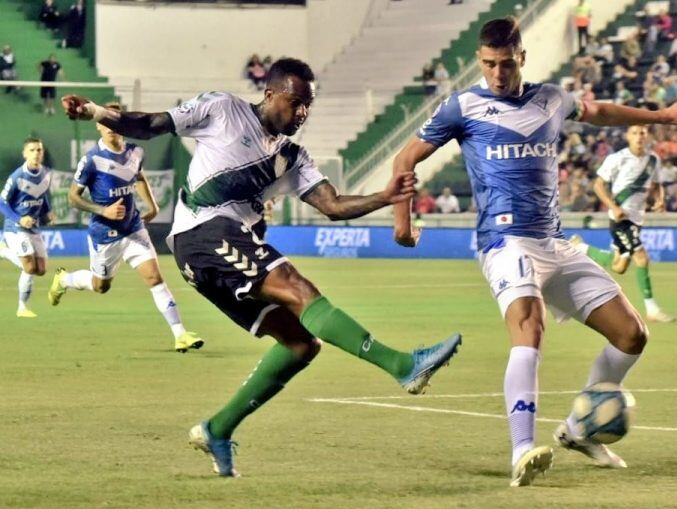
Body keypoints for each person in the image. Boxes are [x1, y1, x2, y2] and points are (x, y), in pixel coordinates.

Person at [61, 58, 461, 477]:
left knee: (302, 344)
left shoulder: (294, 157)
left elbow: (333, 205)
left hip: (219, 246)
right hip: (200, 232)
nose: (303, 112)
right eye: (296, 102)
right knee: (297, 288)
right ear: (270, 94)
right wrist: (94, 111)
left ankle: (216, 429)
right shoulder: (222, 108)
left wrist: (384, 196)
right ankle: (402, 366)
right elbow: (151, 123)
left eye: (308, 104)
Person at [391, 17, 677, 487]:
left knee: (632, 335)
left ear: (522, 57)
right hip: (505, 242)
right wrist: (402, 221)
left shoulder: (552, 99)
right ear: (480, 61)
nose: (496, 74)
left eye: (504, 64)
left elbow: (598, 110)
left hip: (554, 243)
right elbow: (405, 159)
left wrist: (663, 117)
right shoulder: (463, 107)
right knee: (529, 325)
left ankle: (579, 430)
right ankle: (522, 450)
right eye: (487, 65)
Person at [47, 102, 202, 352]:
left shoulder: (135, 152)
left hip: (133, 228)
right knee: (101, 286)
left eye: (116, 122)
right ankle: (64, 279)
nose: (111, 127)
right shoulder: (91, 160)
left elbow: (138, 176)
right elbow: (73, 197)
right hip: (104, 235)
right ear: (98, 125)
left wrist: (152, 207)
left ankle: (180, 334)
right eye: (106, 122)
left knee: (155, 278)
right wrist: (103, 210)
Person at [570, 125, 676, 323]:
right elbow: (598, 185)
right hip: (620, 219)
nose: (639, 137)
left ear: (648, 136)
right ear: (628, 136)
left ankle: (580, 247)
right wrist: (613, 207)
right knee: (642, 259)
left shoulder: (653, 160)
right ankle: (652, 309)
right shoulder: (617, 158)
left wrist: (660, 199)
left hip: (637, 218)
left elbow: (656, 184)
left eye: (642, 133)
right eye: (634, 133)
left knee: (619, 266)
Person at [0, 138, 54, 318]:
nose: (36, 153)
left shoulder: (46, 173)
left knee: (41, 270)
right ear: (25, 154)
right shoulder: (17, 177)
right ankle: (22, 307)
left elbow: (43, 196)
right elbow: (2, 202)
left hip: (34, 228)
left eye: (39, 150)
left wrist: (48, 213)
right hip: (15, 229)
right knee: (29, 268)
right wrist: (18, 219)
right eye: (32, 150)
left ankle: (4, 251)